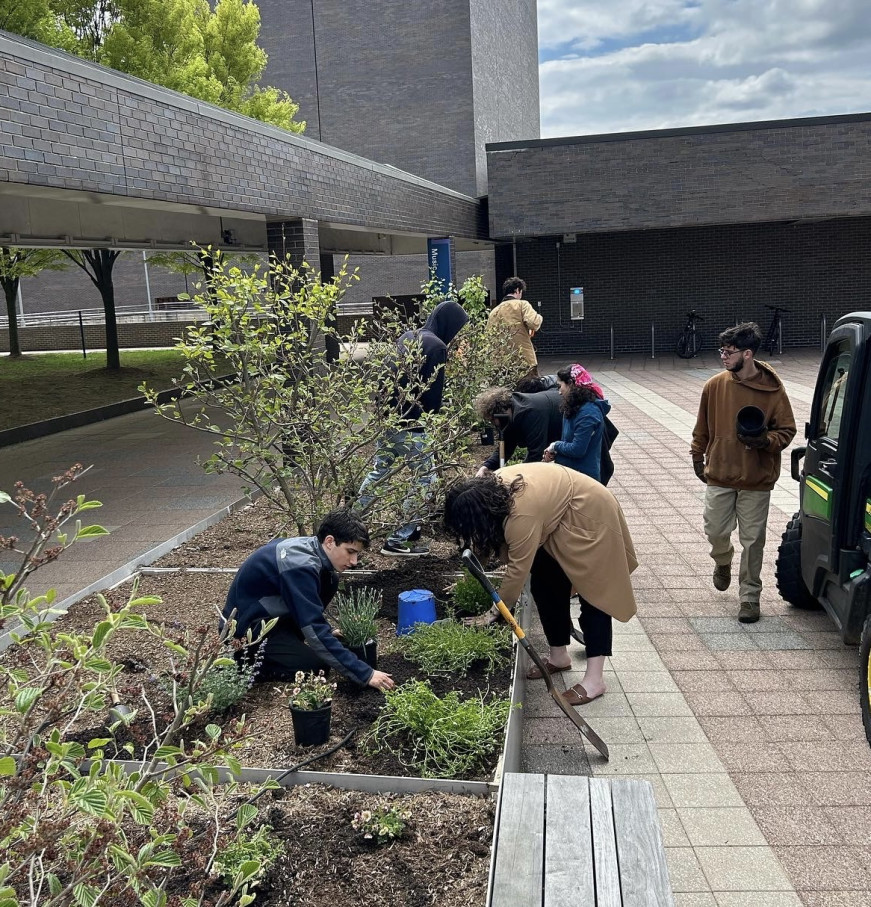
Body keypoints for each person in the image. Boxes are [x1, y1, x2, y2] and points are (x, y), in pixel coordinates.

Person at [444, 463, 637, 705]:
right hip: (555, 521)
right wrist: (470, 573)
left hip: (590, 513)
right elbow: (483, 543)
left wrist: (494, 613)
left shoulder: (520, 516)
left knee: (595, 594)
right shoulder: (492, 496)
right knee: (545, 586)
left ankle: (595, 680)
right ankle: (559, 657)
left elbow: (517, 570)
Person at [691, 322, 796, 623]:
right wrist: (698, 456)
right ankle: (722, 561)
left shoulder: (773, 389)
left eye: (729, 351)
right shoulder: (714, 385)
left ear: (747, 354)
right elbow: (702, 427)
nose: (723, 356)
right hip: (720, 472)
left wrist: (765, 441)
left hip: (756, 478)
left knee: (753, 541)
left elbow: (787, 430)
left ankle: (749, 597)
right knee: (715, 530)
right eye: (721, 351)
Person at [222, 508, 395, 691]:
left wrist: (326, 631)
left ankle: (287, 645)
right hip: (246, 634)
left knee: (329, 580)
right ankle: (244, 664)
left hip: (271, 621)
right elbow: (314, 628)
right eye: (350, 551)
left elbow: (308, 609)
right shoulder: (299, 566)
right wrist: (365, 673)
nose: (354, 561)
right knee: (315, 666)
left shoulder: (311, 550)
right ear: (329, 541)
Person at [358, 299, 468, 556]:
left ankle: (348, 525)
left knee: (379, 473)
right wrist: (433, 425)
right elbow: (433, 396)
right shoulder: (438, 346)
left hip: (388, 418)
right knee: (425, 479)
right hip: (413, 424)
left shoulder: (408, 336)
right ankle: (397, 538)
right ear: (449, 325)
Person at [474, 382, 562, 477]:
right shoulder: (508, 416)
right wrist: (486, 466)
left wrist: (515, 476)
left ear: (501, 412)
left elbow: (535, 453)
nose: (493, 424)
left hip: (565, 418)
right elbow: (506, 447)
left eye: (492, 420)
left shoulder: (530, 413)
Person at [543, 363, 611, 482]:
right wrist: (555, 452)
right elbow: (569, 442)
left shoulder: (589, 414)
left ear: (570, 383)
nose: (559, 392)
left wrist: (556, 446)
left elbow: (577, 449)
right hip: (570, 475)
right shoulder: (573, 406)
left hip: (583, 480)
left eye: (560, 386)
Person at [487, 277, 542, 377]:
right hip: (524, 360)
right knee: (530, 389)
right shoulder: (522, 305)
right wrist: (539, 317)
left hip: (500, 363)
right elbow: (533, 323)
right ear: (517, 290)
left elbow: (489, 337)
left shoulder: (494, 312)